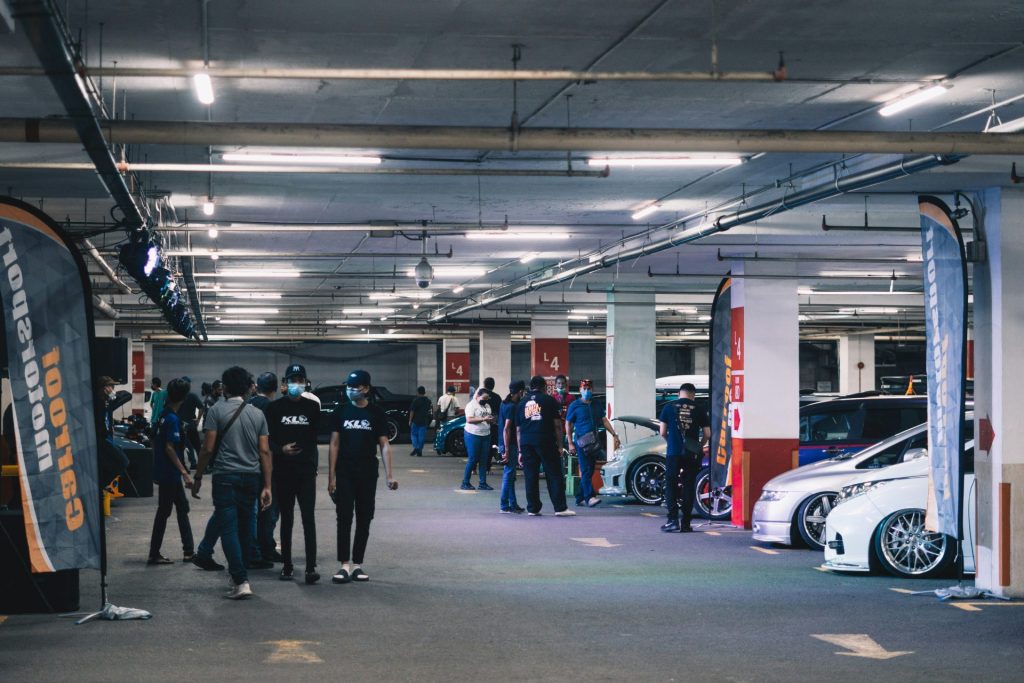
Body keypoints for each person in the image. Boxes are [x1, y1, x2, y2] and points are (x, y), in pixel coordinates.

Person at [191, 366, 273, 600]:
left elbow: (207, 448)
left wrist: (197, 477)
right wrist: (267, 485)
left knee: (228, 528)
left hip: (225, 476)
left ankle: (240, 580)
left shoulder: (216, 410)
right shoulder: (257, 414)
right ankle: (241, 575)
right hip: (252, 477)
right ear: (248, 387)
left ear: (224, 388)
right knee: (247, 528)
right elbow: (265, 452)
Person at [329, 369, 397, 584]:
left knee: (364, 517)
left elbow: (384, 444)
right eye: (348, 387)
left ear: (366, 388)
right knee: (344, 518)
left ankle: (358, 564)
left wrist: (389, 475)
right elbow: (334, 444)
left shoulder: (376, 413)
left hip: (367, 472)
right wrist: (331, 476)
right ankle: (343, 565)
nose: (351, 391)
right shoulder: (341, 412)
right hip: (345, 472)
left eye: (355, 387)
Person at [266, 364, 322, 584]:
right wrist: (281, 449)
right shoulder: (274, 408)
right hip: (283, 471)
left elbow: (315, 438)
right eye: (292, 380)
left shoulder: (312, 407)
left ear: (305, 383)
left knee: (308, 519)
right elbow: (267, 439)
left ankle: (310, 567)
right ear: (284, 383)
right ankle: (287, 566)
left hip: (306, 470)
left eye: (300, 380)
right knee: (286, 519)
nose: (296, 384)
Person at [147, 378, 194, 564]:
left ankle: (189, 551)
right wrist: (184, 472)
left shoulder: (164, 415)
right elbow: (169, 448)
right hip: (171, 473)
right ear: (184, 397)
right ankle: (154, 553)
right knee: (164, 511)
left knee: (181, 507)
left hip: (166, 472)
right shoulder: (173, 419)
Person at [516, 375, 574, 517]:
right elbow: (557, 425)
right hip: (545, 440)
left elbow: (518, 430)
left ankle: (533, 508)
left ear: (530, 387)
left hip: (526, 442)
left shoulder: (522, 403)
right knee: (554, 474)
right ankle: (560, 508)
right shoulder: (549, 400)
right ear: (544, 387)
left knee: (530, 476)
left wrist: (520, 451)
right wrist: (560, 446)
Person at [658, 382, 710, 533]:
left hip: (674, 452)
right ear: (693, 394)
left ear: (679, 393)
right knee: (688, 484)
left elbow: (662, 432)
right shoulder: (699, 409)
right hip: (691, 453)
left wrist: (670, 442)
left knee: (671, 484)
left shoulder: (668, 407)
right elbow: (707, 434)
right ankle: (686, 523)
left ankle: (672, 520)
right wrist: (699, 446)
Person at [566, 379, 621, 508]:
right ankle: (589, 497)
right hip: (581, 443)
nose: (586, 391)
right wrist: (570, 443)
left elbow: (604, 420)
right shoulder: (575, 405)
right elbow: (567, 424)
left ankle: (579, 497)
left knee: (589, 470)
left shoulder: (596, 404)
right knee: (585, 470)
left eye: (589, 388)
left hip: (594, 442)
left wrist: (614, 434)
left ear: (592, 390)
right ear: (580, 390)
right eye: (584, 388)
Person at [248, 372, 282, 563]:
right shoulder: (272, 407)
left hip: (249, 463)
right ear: (275, 389)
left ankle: (256, 547)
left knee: (253, 510)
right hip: (267, 464)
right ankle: (266, 548)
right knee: (269, 509)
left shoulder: (247, 405)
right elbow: (271, 441)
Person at [498, 380, 526, 514]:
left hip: (505, 443)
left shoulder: (504, 404)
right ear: (520, 391)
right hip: (510, 444)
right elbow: (506, 429)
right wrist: (508, 450)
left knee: (511, 475)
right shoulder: (512, 407)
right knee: (509, 475)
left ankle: (513, 503)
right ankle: (504, 505)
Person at [460, 387, 495, 491]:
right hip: (473, 434)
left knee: (484, 460)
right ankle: (465, 482)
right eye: (484, 398)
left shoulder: (487, 406)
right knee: (473, 459)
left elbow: (487, 417)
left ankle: (482, 483)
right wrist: (484, 419)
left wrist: (490, 420)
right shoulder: (471, 405)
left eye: (487, 398)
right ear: (478, 396)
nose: (486, 400)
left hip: (486, 434)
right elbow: (469, 419)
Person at [177, 377, 205, 470]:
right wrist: (198, 419)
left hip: (181, 425)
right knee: (197, 446)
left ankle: (188, 464)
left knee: (185, 446)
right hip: (191, 424)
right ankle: (201, 465)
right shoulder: (192, 396)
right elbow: (201, 407)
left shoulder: (177, 396)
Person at [407, 386, 432, 457]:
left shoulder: (416, 400)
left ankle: (416, 447)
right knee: (422, 436)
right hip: (424, 420)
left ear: (417, 392)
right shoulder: (428, 401)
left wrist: (410, 420)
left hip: (415, 420)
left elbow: (412, 411)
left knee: (414, 435)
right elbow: (429, 411)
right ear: (424, 392)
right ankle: (420, 450)